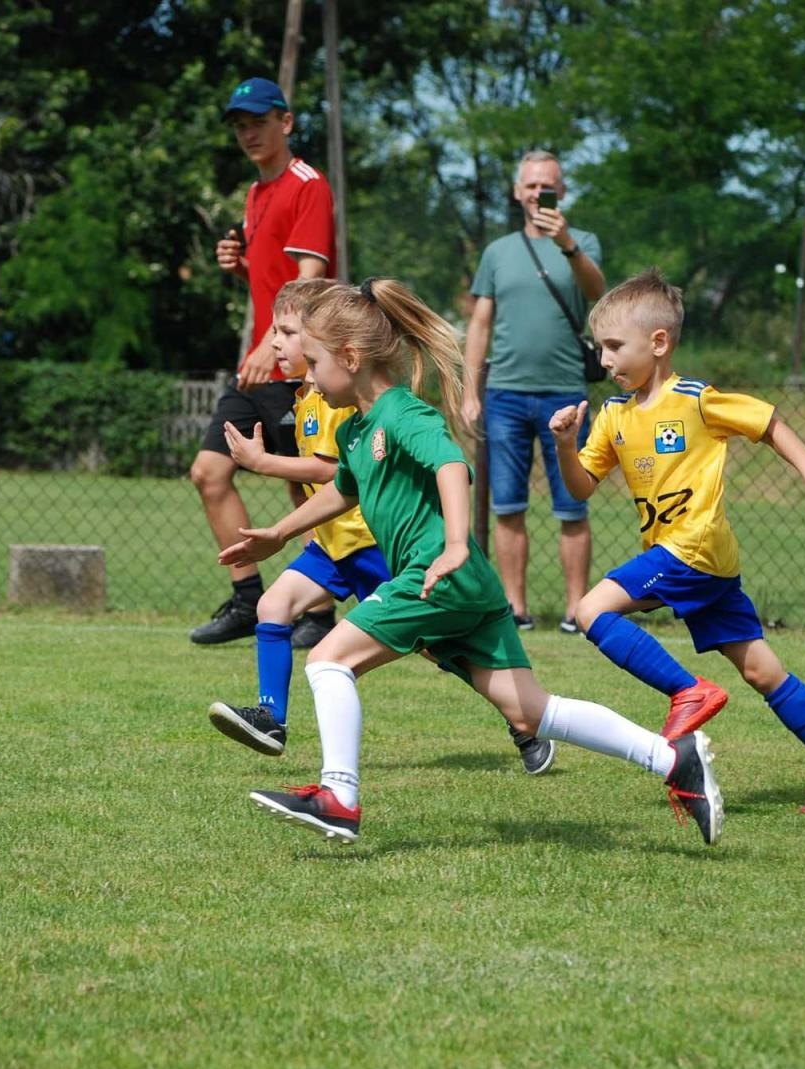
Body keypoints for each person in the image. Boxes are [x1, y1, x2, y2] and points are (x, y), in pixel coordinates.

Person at [219, 277, 724, 846]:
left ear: (352, 358)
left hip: (440, 572)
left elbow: (451, 467)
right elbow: (345, 489)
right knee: (530, 711)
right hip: (465, 585)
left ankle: (339, 796)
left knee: (329, 660)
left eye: (313, 361)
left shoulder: (404, 413)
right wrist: (279, 535)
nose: (307, 376)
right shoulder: (360, 430)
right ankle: (671, 759)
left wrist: (456, 544)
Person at [549, 269, 805, 814]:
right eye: (600, 348)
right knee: (760, 670)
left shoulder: (695, 399)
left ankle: (691, 691)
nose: (605, 360)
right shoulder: (613, 416)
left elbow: (769, 422)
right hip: (703, 565)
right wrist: (566, 445)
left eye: (614, 346)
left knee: (591, 609)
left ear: (659, 343)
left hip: (693, 548)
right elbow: (581, 486)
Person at [207, 279, 555, 775]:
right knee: (273, 604)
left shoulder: (351, 403)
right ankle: (271, 719)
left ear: (340, 350)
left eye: (288, 332)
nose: (278, 343)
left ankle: (522, 718)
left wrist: (266, 464)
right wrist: (281, 531)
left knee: (437, 647)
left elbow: (337, 473)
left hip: (372, 544)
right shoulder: (313, 398)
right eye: (278, 333)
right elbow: (344, 482)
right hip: (331, 545)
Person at [188, 76, 337, 648]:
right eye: (240, 124)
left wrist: (267, 340)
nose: (249, 132)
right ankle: (248, 598)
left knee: (304, 489)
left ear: (287, 123)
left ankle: (319, 613)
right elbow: (273, 273)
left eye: (259, 121)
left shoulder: (308, 184)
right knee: (209, 472)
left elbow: (310, 281)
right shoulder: (255, 193)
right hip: (260, 359)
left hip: (294, 364)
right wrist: (240, 265)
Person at [462, 150, 607, 632]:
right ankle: (514, 608)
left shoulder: (582, 241)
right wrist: (469, 390)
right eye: (530, 185)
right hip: (504, 392)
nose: (537, 193)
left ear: (561, 191)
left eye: (547, 185)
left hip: (566, 393)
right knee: (507, 505)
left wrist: (566, 243)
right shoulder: (498, 252)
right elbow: (479, 324)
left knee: (572, 505)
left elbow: (596, 292)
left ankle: (577, 611)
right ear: (516, 192)